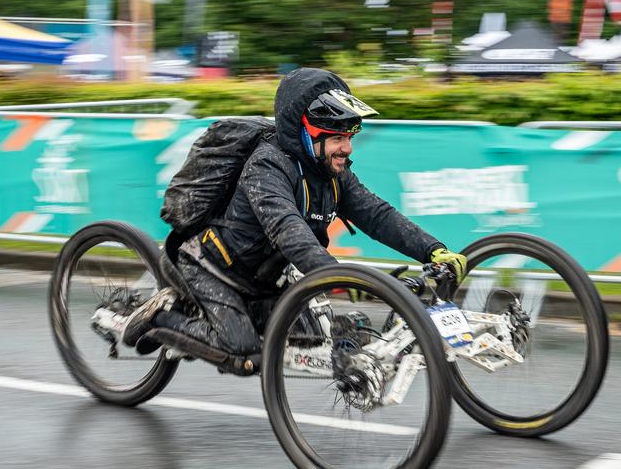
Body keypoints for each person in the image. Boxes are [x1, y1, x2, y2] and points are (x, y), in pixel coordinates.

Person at [122, 67, 466, 360]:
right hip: (212, 267)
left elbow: (377, 215)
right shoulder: (267, 166)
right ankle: (161, 318)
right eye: (336, 138)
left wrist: (433, 249)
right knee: (243, 352)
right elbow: (290, 233)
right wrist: (355, 280)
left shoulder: (333, 172)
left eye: (350, 136)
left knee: (315, 341)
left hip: (266, 279)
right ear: (302, 133)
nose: (346, 148)